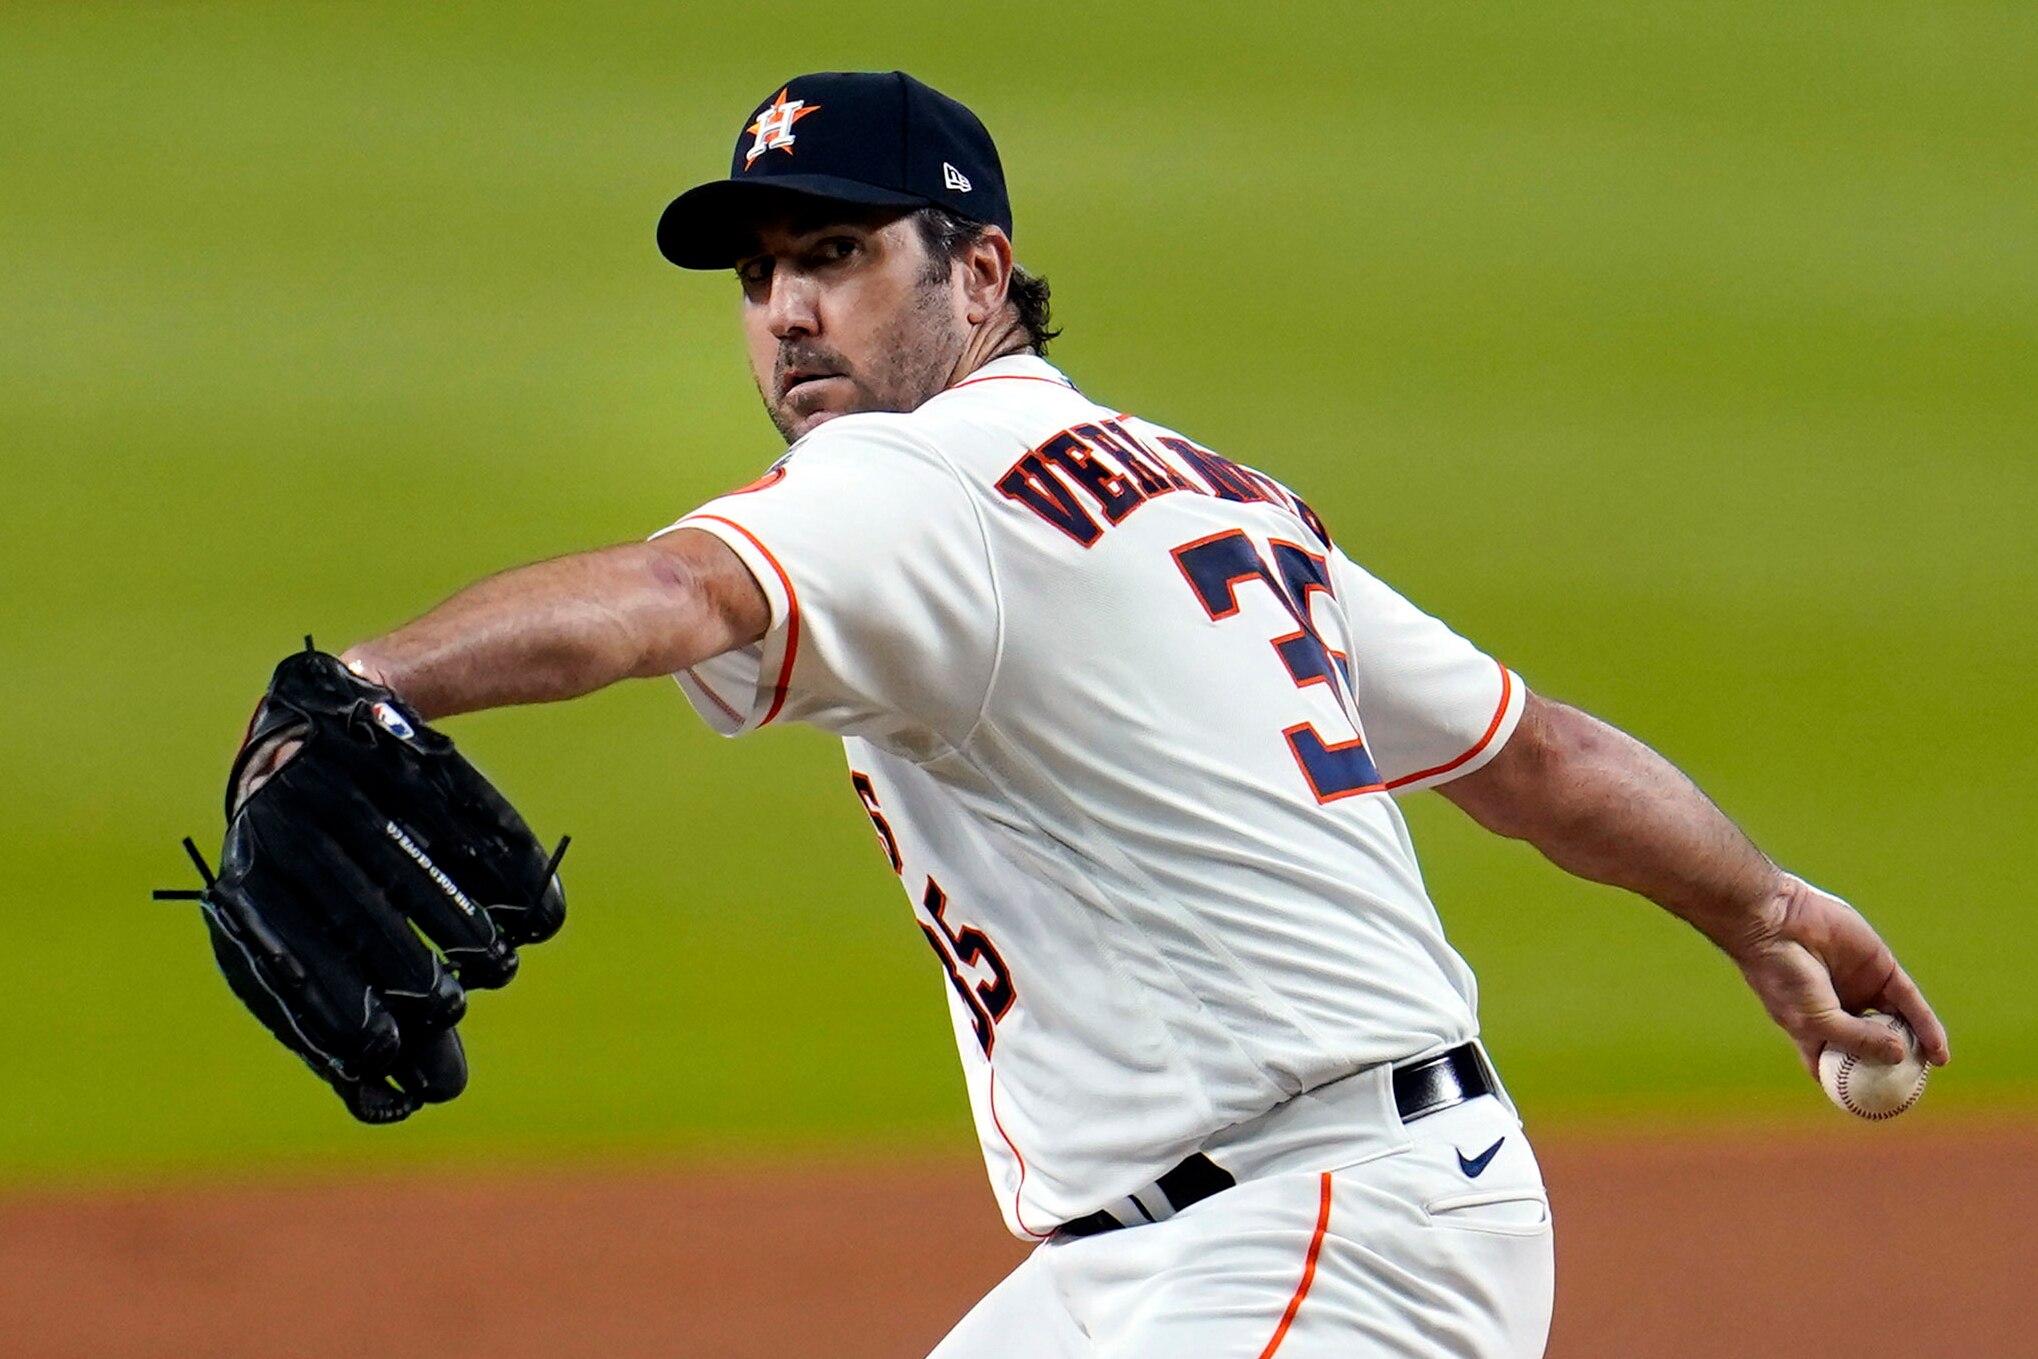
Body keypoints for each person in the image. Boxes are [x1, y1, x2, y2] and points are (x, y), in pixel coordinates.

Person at [330, 72, 1949, 1357]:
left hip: (1320, 1236)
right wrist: (1765, 908)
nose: (785, 312)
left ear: (978, 272)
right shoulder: (1207, 492)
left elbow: (677, 595)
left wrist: (359, 691)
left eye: (834, 254)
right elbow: (1535, 760)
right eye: (758, 276)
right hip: (1244, 1232)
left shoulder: (907, 477)